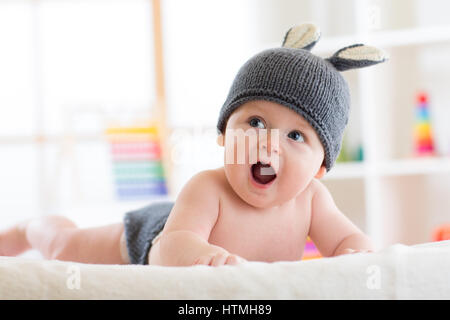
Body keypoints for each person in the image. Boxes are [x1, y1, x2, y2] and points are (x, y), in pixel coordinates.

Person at [0, 23, 387, 267]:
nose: (269, 144)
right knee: (66, 248)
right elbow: (170, 249)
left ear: (320, 167)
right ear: (224, 134)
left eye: (296, 136)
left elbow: (348, 240)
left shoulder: (313, 200)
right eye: (254, 122)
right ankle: (31, 227)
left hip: (187, 226)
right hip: (153, 234)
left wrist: (359, 254)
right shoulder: (208, 187)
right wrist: (203, 257)